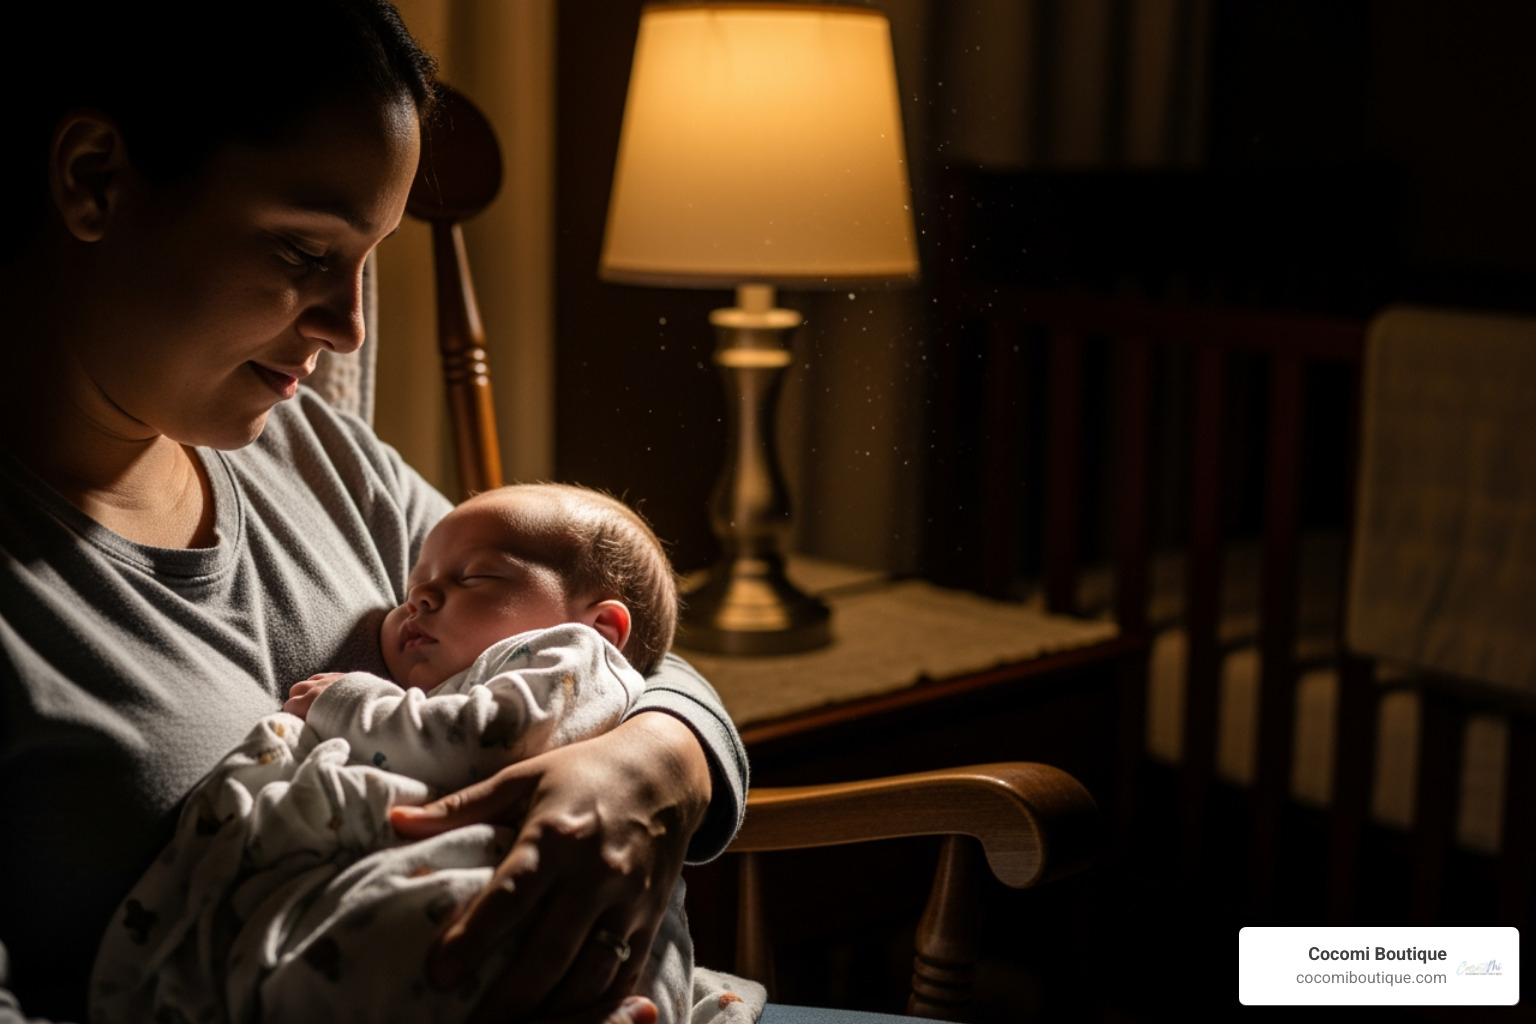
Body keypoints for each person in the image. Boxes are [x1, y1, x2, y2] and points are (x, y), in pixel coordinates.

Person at [0, 4, 746, 1024]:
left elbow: (603, 632)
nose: (348, 325)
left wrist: (657, 762)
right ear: (93, 178)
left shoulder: (317, 452)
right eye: (306, 254)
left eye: (370, 258)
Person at [89, 484, 760, 1024]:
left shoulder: (571, 659)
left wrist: (348, 701)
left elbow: (482, 739)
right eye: (415, 584)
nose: (419, 598)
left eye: (473, 578)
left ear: (601, 626)